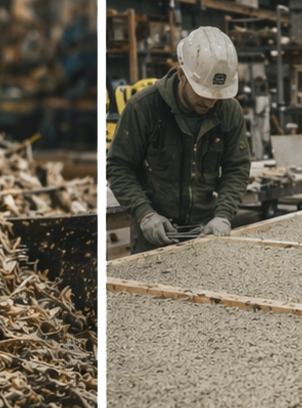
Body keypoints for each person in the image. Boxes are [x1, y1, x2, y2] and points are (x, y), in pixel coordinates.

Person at [106, 27, 250, 254]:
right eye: (203, 93)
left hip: (206, 233)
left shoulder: (229, 110)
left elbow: (237, 167)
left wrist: (223, 215)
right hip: (155, 235)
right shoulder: (144, 108)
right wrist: (145, 214)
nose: (211, 103)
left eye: (217, 94)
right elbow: (119, 167)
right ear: (182, 74)